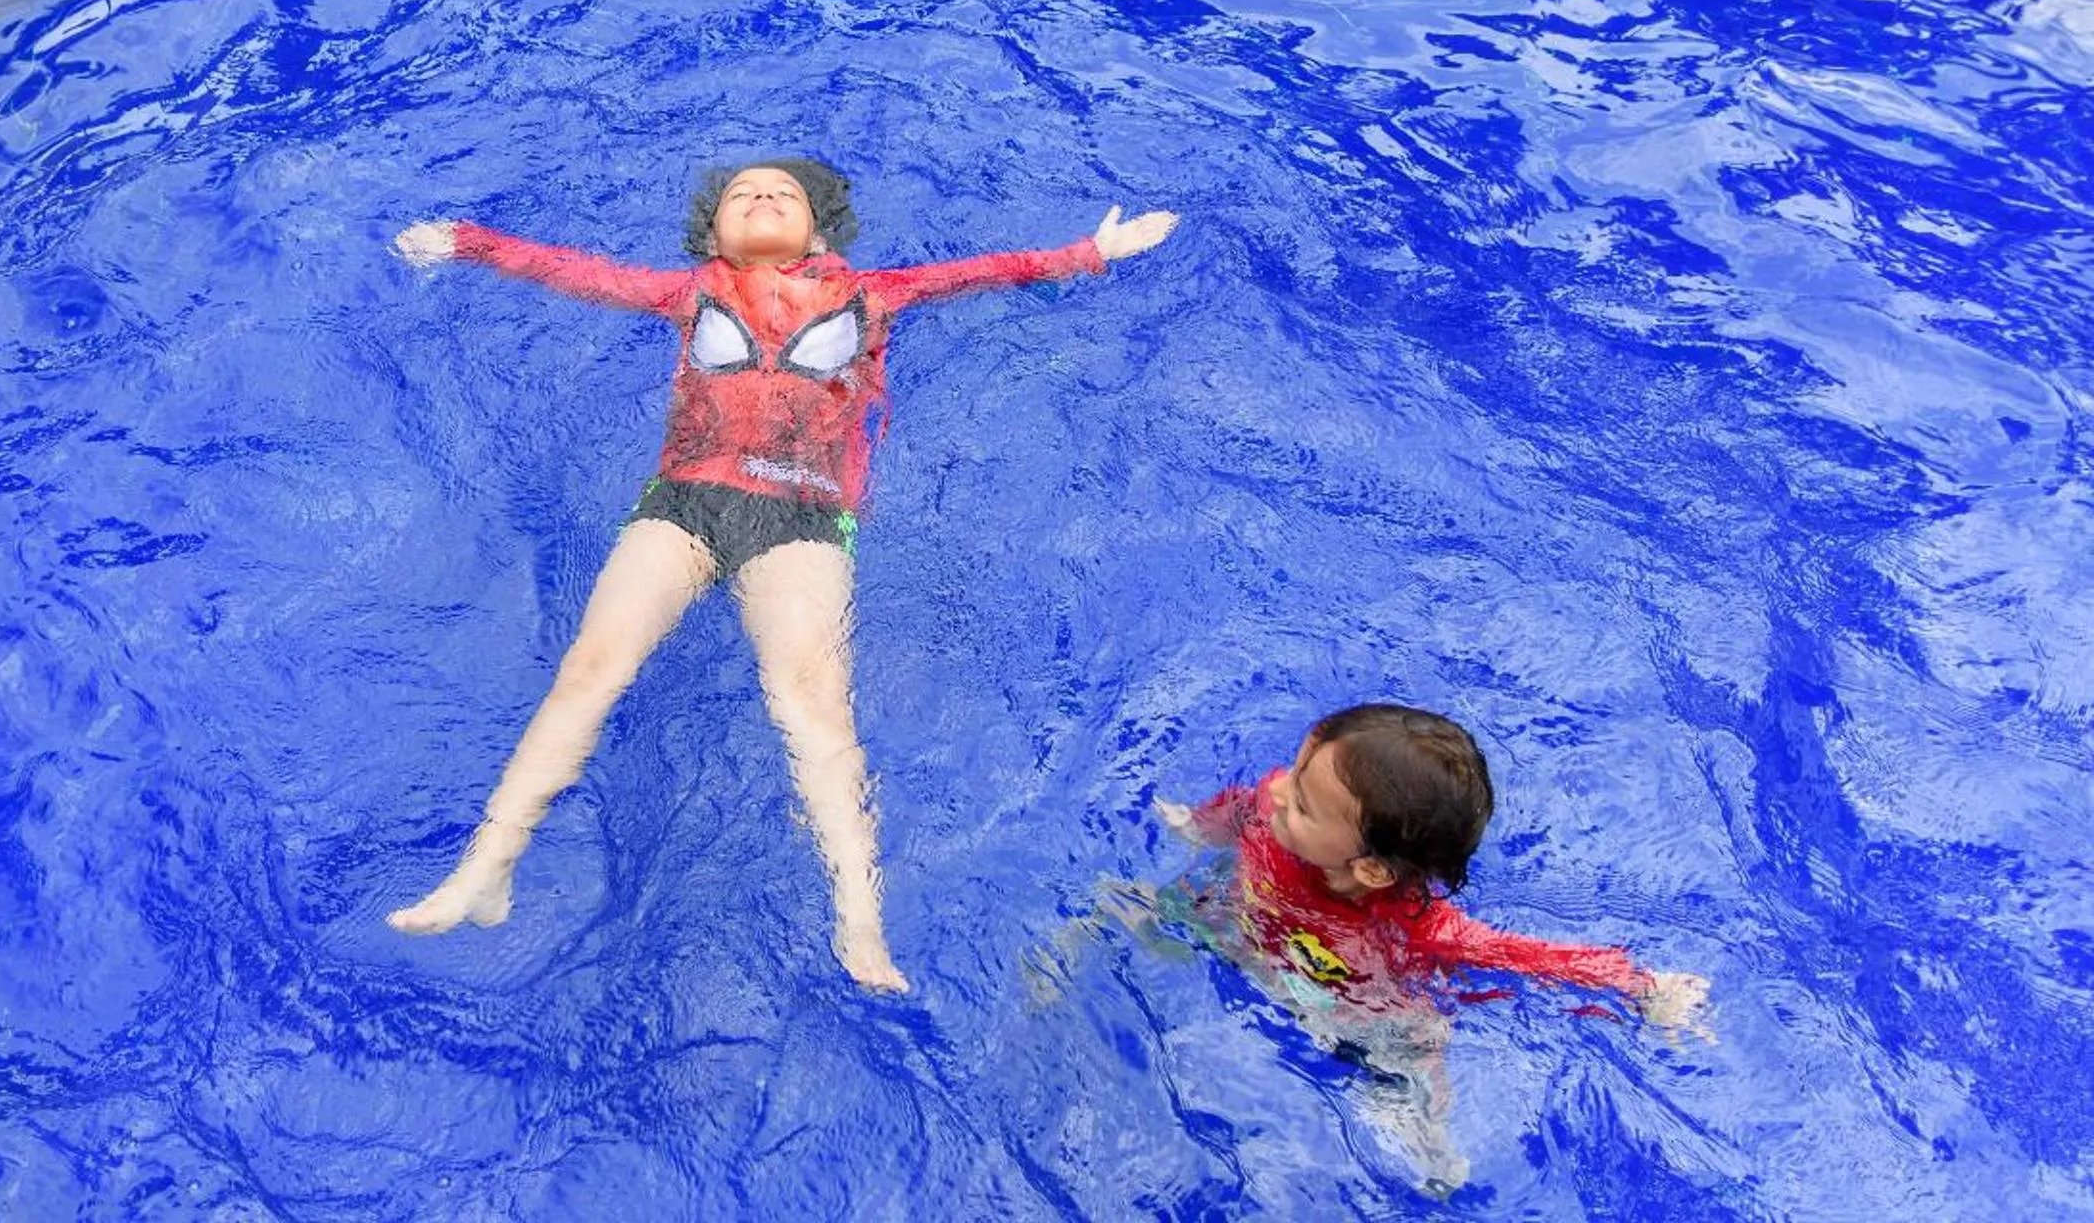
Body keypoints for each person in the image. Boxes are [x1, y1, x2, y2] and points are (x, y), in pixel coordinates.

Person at [386, 159, 1178, 991]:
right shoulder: (687, 293)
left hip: (803, 514)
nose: (762, 196)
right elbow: (575, 272)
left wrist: (1092, 253)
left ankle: (859, 919)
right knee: (590, 666)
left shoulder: (873, 294)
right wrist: (467, 242)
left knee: (812, 699)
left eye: (782, 193)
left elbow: (980, 273)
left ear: (819, 231)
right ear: (712, 235)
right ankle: (488, 867)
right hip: (684, 503)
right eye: (742, 194)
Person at [1042, 703, 1706, 1187]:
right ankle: (1059, 960)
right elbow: (1237, 811)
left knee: (1410, 1050)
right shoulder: (1274, 811)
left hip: (1345, 998)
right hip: (1236, 925)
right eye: (1297, 769)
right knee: (1121, 902)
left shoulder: (1417, 925)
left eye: (1303, 801)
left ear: (1372, 870)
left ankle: (1432, 1149)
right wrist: (1194, 825)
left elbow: (1525, 955)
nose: (1278, 791)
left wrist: (1644, 986)